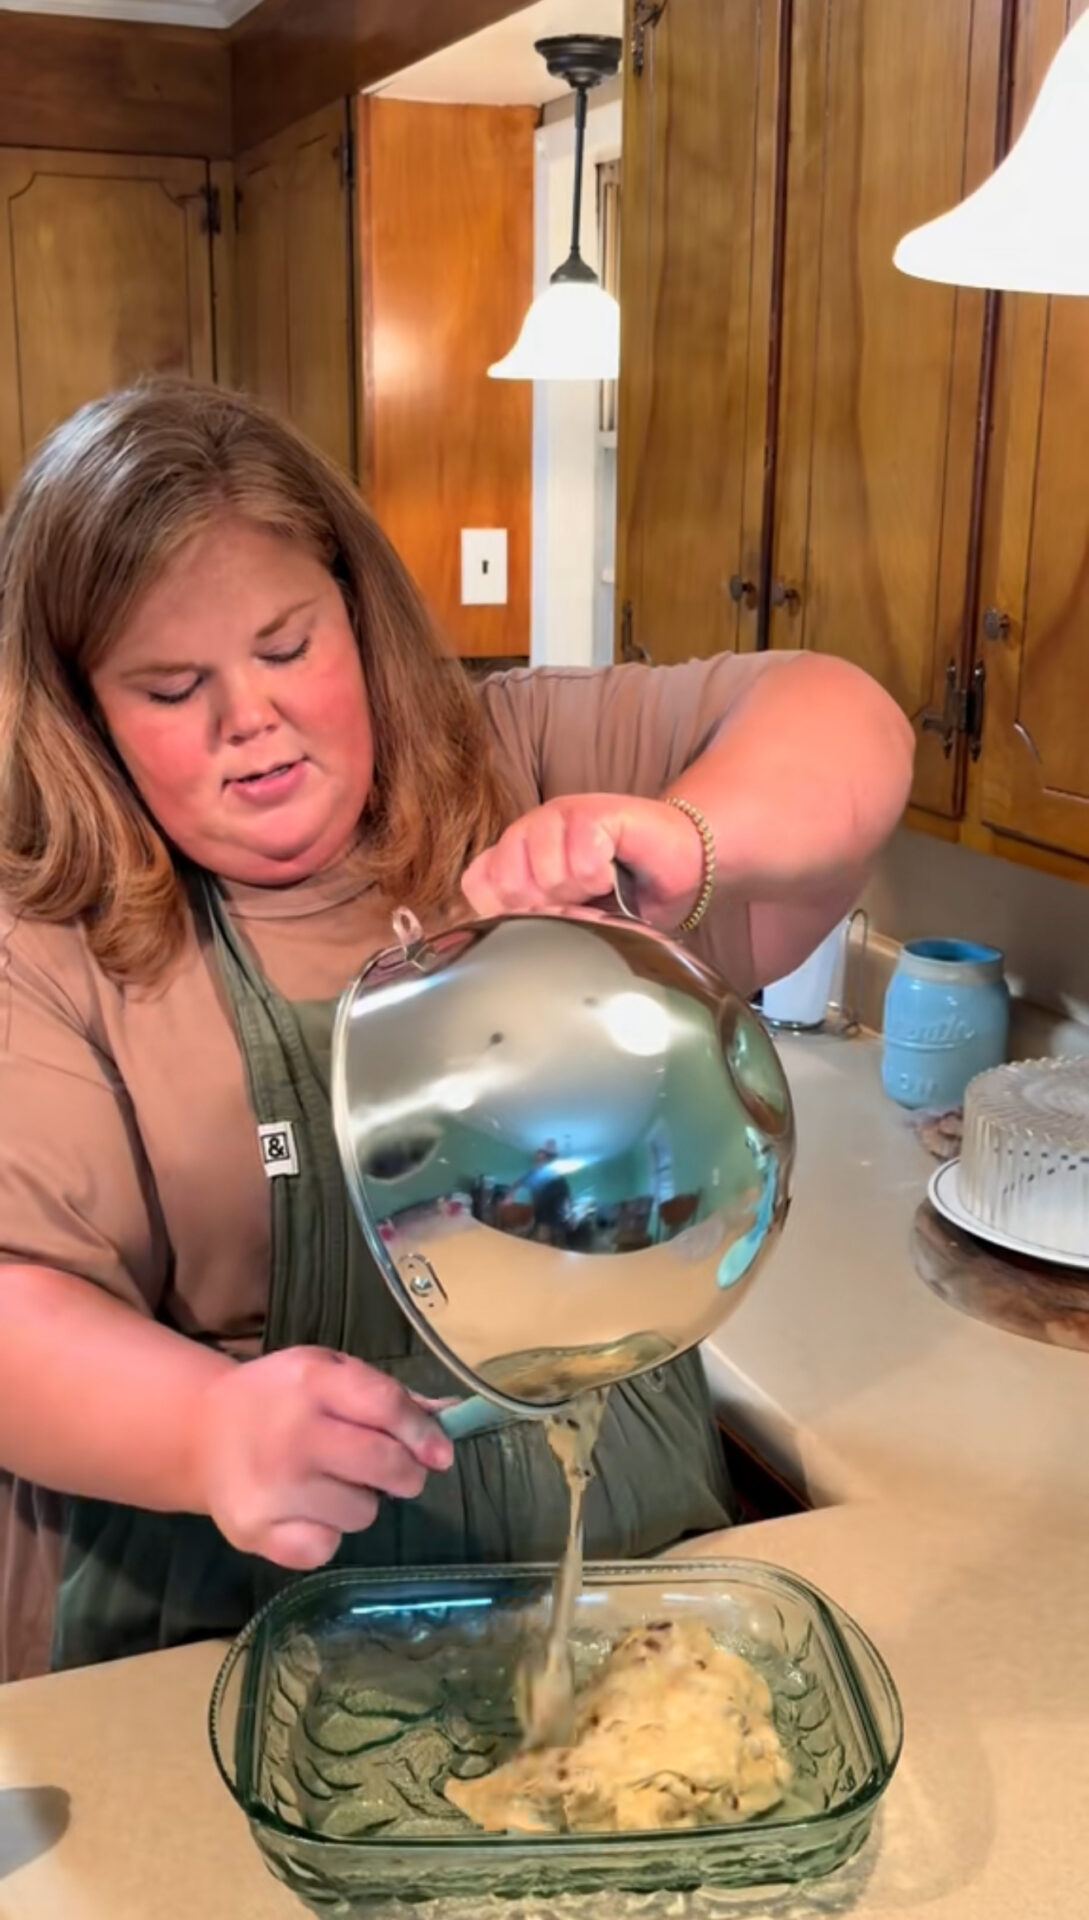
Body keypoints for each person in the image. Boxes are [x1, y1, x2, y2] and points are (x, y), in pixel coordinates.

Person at [0, 380, 914, 1683]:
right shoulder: (47, 937)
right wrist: (203, 1430)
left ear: (355, 617)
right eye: (168, 686)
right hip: (238, 1641)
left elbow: (843, 716)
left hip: (620, 1593)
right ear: (83, 711)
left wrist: (684, 837)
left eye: (283, 646)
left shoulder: (519, 759)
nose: (246, 718)